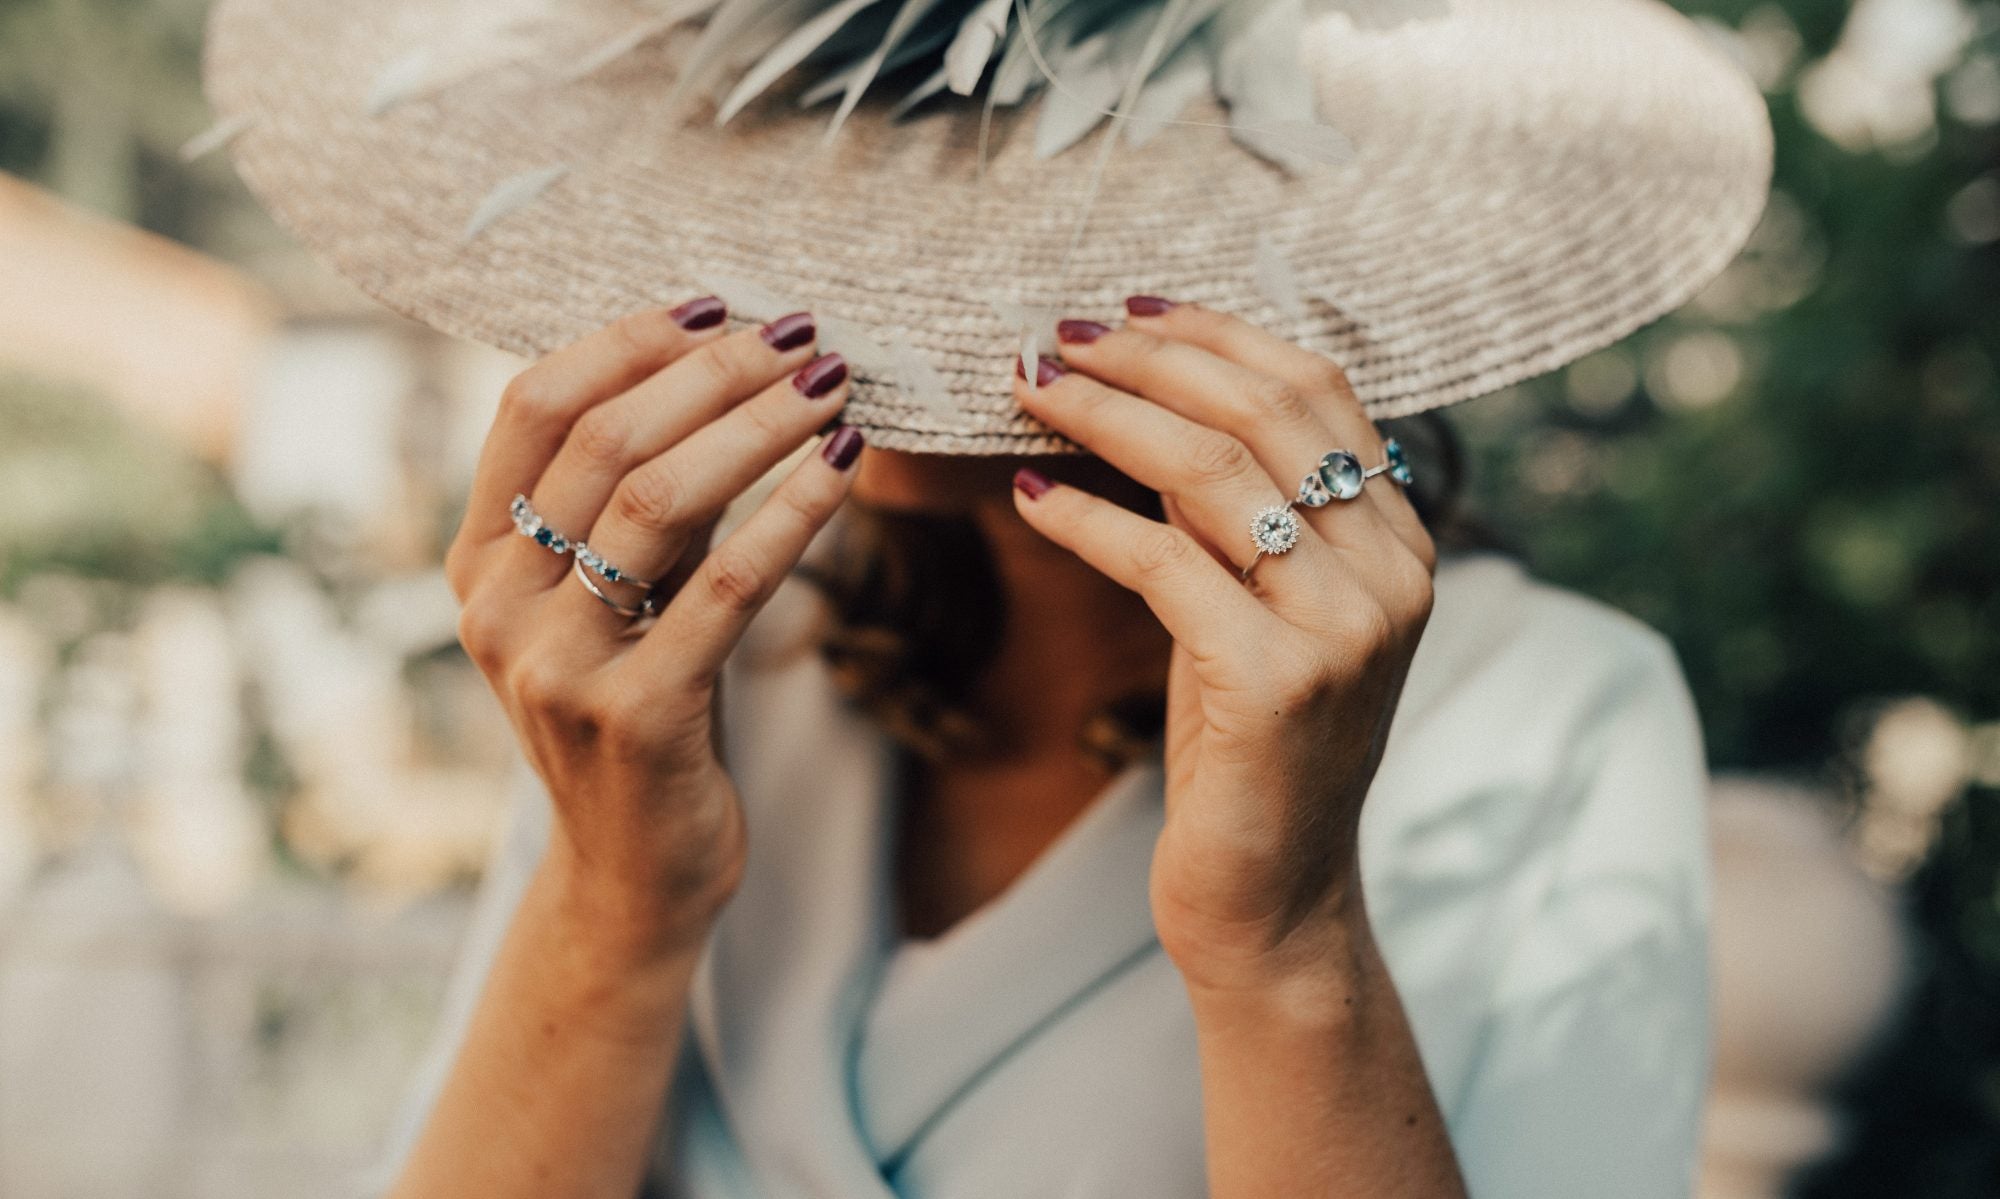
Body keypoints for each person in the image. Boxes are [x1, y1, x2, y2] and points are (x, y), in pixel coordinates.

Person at [198, 0, 1772, 1193]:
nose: (839, 285)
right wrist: (615, 907)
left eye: (992, 191)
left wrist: (1286, 947)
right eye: (836, 176)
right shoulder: (688, 656)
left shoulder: (1549, 710)